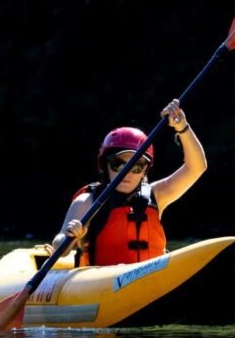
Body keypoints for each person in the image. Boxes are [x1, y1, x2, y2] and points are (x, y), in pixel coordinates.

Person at [51, 99, 207, 266]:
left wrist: (182, 127)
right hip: (104, 285)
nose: (127, 173)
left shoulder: (157, 195)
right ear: (105, 165)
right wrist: (70, 236)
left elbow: (196, 168)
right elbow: (60, 247)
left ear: (145, 171)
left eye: (137, 166)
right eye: (118, 164)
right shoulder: (87, 201)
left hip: (152, 281)